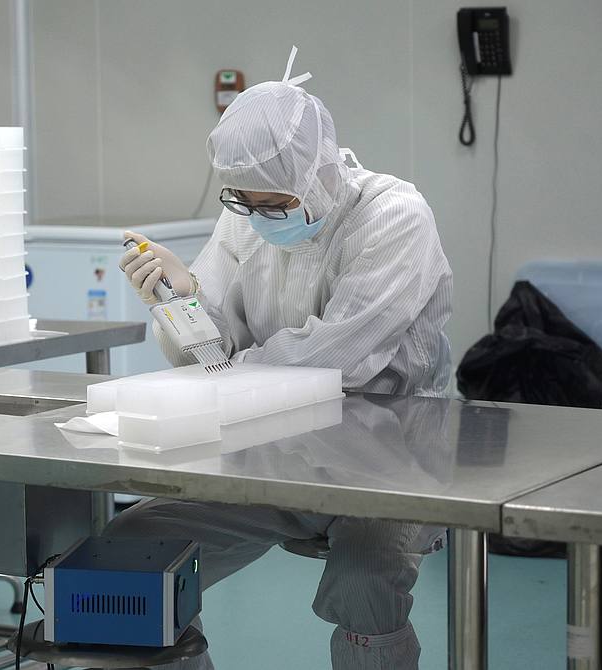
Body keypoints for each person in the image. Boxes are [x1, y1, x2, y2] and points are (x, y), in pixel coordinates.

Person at [111, 53, 453, 669]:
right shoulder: (248, 219)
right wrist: (182, 300)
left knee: (364, 588)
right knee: (133, 557)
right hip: (273, 453)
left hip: (387, 459)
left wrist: (228, 366)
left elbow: (331, 361)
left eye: (275, 203)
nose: (259, 216)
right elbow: (212, 360)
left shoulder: (394, 216)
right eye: (244, 200)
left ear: (316, 172)